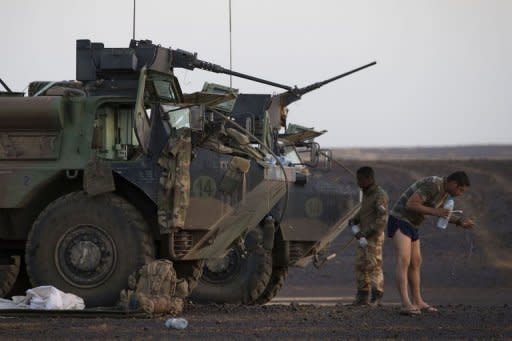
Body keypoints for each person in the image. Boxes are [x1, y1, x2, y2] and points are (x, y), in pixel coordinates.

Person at [388, 171, 474, 315]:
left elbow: (442, 213)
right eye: (460, 190)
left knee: (416, 262)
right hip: (400, 219)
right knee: (404, 260)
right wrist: (436, 212)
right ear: (453, 183)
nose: (460, 194)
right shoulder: (433, 185)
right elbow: (411, 204)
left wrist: (460, 222)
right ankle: (405, 303)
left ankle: (417, 301)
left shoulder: (446, 194)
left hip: (413, 224)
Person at [349, 166, 389, 306]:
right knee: (361, 265)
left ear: (369, 179)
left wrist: (365, 233)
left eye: (360, 179)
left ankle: (376, 296)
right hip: (363, 237)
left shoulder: (379, 195)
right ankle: (362, 297)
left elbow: (382, 219)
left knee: (373, 266)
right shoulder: (366, 194)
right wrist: (355, 219)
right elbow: (364, 211)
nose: (358, 182)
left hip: (373, 236)